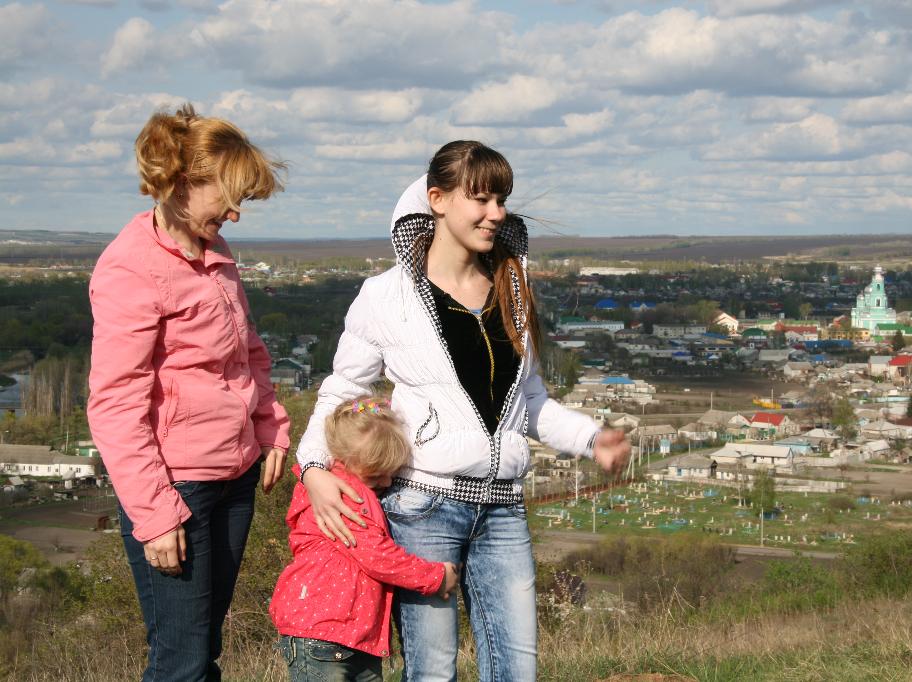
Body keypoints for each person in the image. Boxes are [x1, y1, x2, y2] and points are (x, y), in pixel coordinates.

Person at [295, 140, 631, 680]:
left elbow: (532, 403)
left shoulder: (511, 291)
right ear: (438, 199)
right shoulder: (386, 297)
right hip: (424, 507)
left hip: (503, 510)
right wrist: (311, 468)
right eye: (481, 198)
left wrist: (592, 439)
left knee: (517, 669)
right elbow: (340, 392)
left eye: (502, 199)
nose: (496, 213)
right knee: (432, 671)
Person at [87, 103, 328, 682]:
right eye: (229, 195)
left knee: (203, 651)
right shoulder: (130, 269)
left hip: (235, 477)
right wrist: (155, 516)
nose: (237, 212)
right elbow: (115, 404)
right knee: (182, 663)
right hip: (177, 490)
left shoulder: (216, 253)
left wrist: (271, 428)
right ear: (182, 181)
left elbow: (249, 353)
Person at [270, 395, 461, 682]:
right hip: (323, 635)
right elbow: (377, 556)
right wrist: (435, 577)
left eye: (391, 475)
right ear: (344, 461)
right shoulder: (344, 497)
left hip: (348, 635)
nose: (385, 484)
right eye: (376, 477)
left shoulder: (352, 487)